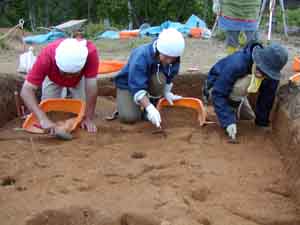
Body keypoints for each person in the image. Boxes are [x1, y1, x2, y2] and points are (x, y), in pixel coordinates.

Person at [203, 41, 288, 140]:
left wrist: (261, 123)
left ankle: (234, 108)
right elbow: (218, 93)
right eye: (261, 69)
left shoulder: (271, 76)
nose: (261, 75)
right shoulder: (237, 63)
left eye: (266, 73)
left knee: (249, 117)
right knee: (242, 87)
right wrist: (228, 121)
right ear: (257, 59)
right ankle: (220, 110)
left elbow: (267, 98)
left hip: (239, 95)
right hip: (216, 88)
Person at [20, 38, 99, 133]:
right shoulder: (46, 58)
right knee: (49, 112)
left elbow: (91, 88)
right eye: (65, 73)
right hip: (52, 77)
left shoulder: (91, 53)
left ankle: (73, 97)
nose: (68, 77)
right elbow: (26, 90)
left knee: (81, 112)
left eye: (73, 74)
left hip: (79, 80)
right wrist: (42, 118)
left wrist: (88, 117)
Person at [114, 28, 185, 128]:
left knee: (159, 79)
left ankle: (152, 103)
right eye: (166, 57)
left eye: (172, 58)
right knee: (129, 117)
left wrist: (166, 92)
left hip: (149, 83)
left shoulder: (174, 56)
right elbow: (137, 87)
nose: (169, 61)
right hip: (129, 85)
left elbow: (169, 75)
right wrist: (150, 108)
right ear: (159, 50)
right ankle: (137, 106)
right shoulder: (141, 56)